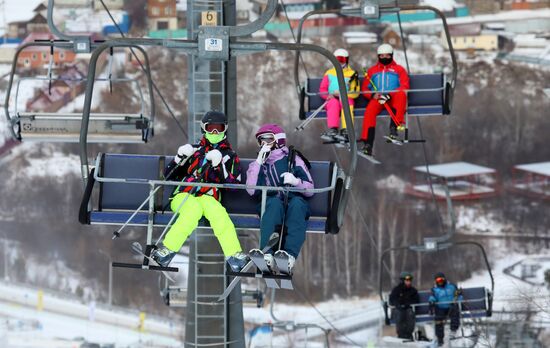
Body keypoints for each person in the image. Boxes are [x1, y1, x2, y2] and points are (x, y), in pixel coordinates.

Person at [152, 111, 248, 272]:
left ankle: (234, 255)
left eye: (219, 128)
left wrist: (219, 166)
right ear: (204, 129)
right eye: (211, 129)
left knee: (219, 215)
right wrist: (179, 158)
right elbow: (167, 177)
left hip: (209, 196)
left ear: (225, 129)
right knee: (192, 211)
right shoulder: (194, 151)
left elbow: (235, 186)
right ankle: (166, 251)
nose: (215, 133)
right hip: (184, 195)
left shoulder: (230, 156)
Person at [246, 124, 314, 273]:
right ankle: (267, 254)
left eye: (268, 140)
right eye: (261, 141)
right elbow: (251, 190)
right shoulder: (259, 165)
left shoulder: (293, 159)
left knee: (297, 206)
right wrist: (258, 162)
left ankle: (288, 256)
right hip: (271, 204)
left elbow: (310, 190)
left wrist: (296, 181)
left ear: (278, 140)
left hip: (293, 202)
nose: (264, 144)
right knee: (274, 204)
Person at [360, 43, 410, 157]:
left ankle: (394, 128)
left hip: (393, 98)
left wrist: (389, 94)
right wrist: (373, 95)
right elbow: (365, 88)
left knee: (401, 95)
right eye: (382, 56)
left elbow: (405, 85)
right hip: (378, 99)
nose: (384, 58)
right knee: (369, 112)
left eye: (387, 56)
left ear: (391, 56)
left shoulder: (399, 69)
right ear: (378, 56)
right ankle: (367, 143)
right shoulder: (372, 71)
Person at [319, 48, 360, 142]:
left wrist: (345, 94)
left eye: (342, 60)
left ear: (346, 60)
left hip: (346, 97)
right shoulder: (329, 73)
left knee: (347, 103)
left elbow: (356, 92)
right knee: (333, 103)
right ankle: (333, 129)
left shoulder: (352, 74)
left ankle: (346, 130)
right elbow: (322, 89)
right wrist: (328, 96)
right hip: (332, 97)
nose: (339, 63)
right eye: (336, 60)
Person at [428, 272, 462, 346]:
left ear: (444, 279)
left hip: (451, 306)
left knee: (455, 312)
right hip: (441, 308)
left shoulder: (452, 286)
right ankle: (440, 338)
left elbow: (458, 295)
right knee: (438, 319)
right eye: (438, 280)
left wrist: (457, 300)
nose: (440, 281)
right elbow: (432, 297)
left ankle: (453, 330)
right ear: (436, 281)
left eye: (441, 279)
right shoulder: (434, 289)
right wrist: (431, 302)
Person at [389, 271, 420, 340]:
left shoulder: (413, 290)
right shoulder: (397, 290)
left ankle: (408, 334)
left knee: (410, 313)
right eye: (407, 280)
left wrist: (408, 304)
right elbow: (392, 299)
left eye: (410, 280)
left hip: (408, 308)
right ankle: (401, 334)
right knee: (399, 313)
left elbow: (416, 300)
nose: (409, 282)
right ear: (403, 281)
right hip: (399, 309)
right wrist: (397, 304)